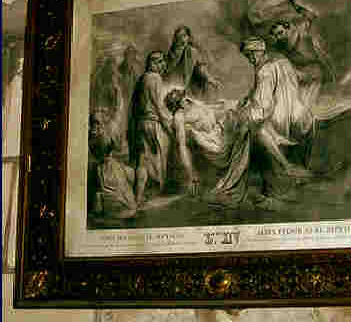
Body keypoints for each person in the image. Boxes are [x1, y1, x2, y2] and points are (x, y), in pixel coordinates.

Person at [237, 36, 314, 207]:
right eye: (247, 56)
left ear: (259, 50)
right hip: (302, 118)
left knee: (255, 133)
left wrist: (244, 115)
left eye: (251, 54)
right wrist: (250, 97)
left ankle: (275, 189)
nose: (250, 59)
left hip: (280, 122)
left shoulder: (264, 71)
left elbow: (263, 107)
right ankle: (293, 178)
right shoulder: (282, 61)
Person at [164, 88, 249, 207]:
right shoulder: (179, 117)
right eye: (181, 100)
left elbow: (209, 108)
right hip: (212, 142)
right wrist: (191, 174)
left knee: (239, 112)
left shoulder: (192, 103)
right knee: (243, 127)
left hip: (219, 130)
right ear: (177, 105)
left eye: (183, 97)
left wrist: (225, 105)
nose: (185, 100)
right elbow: (182, 146)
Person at [269, 0, 336, 105]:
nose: (279, 37)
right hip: (302, 77)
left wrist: (291, 0)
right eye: (276, 35)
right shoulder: (281, 47)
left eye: (280, 33)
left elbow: (310, 16)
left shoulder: (302, 31)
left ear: (287, 27)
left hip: (315, 72)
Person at [128, 51, 172, 206]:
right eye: (161, 62)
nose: (164, 65)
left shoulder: (143, 78)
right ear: (155, 63)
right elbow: (158, 105)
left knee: (142, 161)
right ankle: (154, 192)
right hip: (152, 124)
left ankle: (138, 196)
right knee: (158, 158)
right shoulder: (155, 78)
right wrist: (167, 126)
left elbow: (134, 106)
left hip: (140, 123)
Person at [88, 109, 137, 220]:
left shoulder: (100, 135)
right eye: (94, 122)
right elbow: (115, 149)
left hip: (107, 165)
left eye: (97, 122)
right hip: (109, 164)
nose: (95, 125)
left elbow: (101, 152)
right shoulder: (104, 133)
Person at [165, 25, 221, 101]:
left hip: (190, 84)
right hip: (174, 84)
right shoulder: (172, 52)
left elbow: (201, 67)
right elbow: (168, 69)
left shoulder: (191, 50)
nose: (181, 38)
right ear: (176, 38)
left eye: (184, 36)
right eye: (179, 36)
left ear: (188, 37)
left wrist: (210, 79)